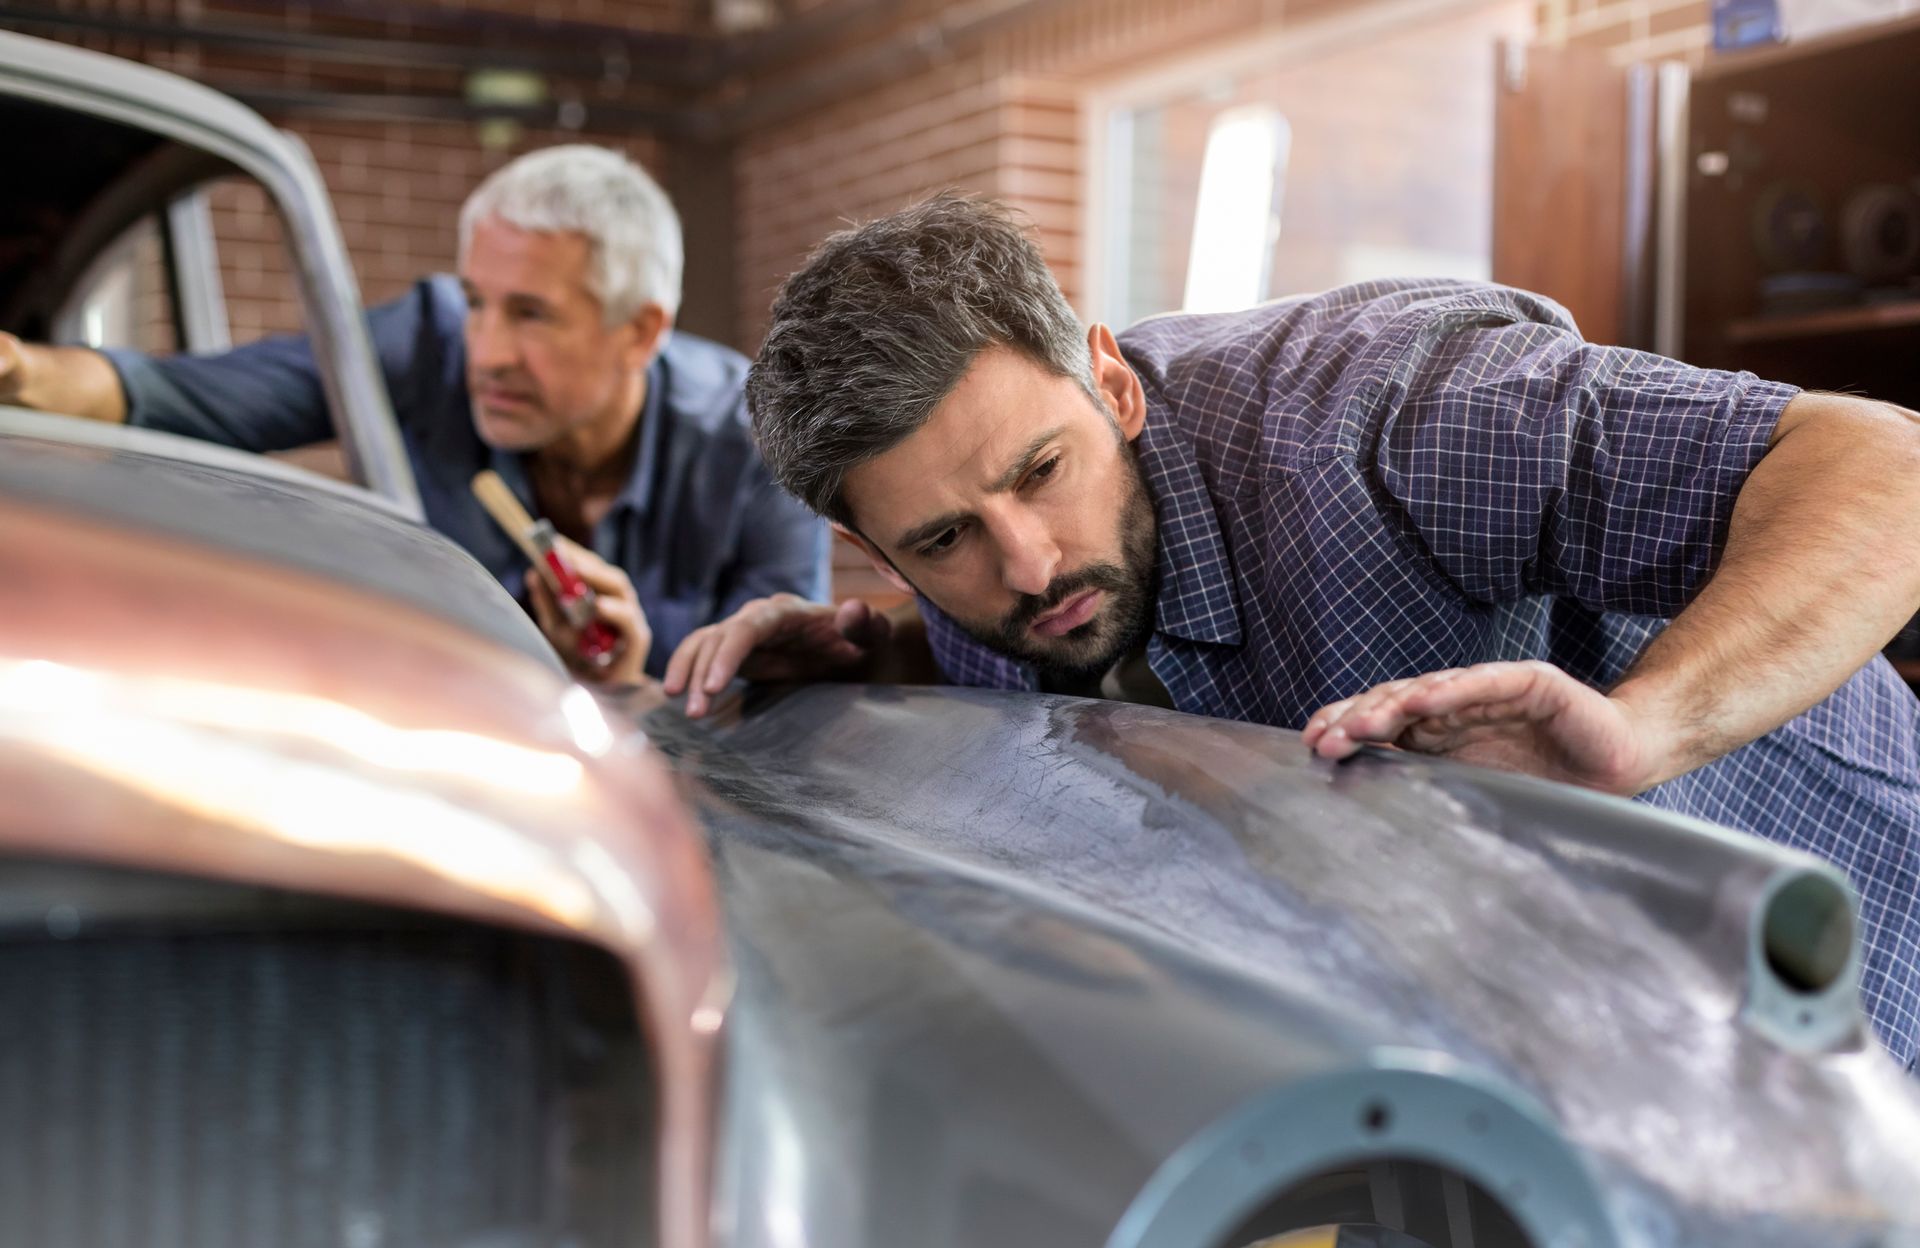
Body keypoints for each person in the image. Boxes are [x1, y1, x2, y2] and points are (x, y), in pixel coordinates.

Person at [665, 193, 1920, 1079]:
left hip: (1859, 959)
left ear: (1111, 381)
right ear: (878, 550)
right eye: (943, 542)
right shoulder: (1001, 593)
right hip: (1577, 1045)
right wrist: (868, 656)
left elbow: (1886, 469)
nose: (1029, 563)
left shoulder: (1389, 418)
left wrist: (1650, 724)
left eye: (1043, 470)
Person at [0, 145, 827, 682]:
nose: (487, 351)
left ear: (640, 330)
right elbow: (187, 398)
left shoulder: (753, 440)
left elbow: (780, 698)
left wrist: (637, 685)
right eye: (477, 302)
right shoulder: (428, 341)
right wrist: (20, 368)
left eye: (531, 315)